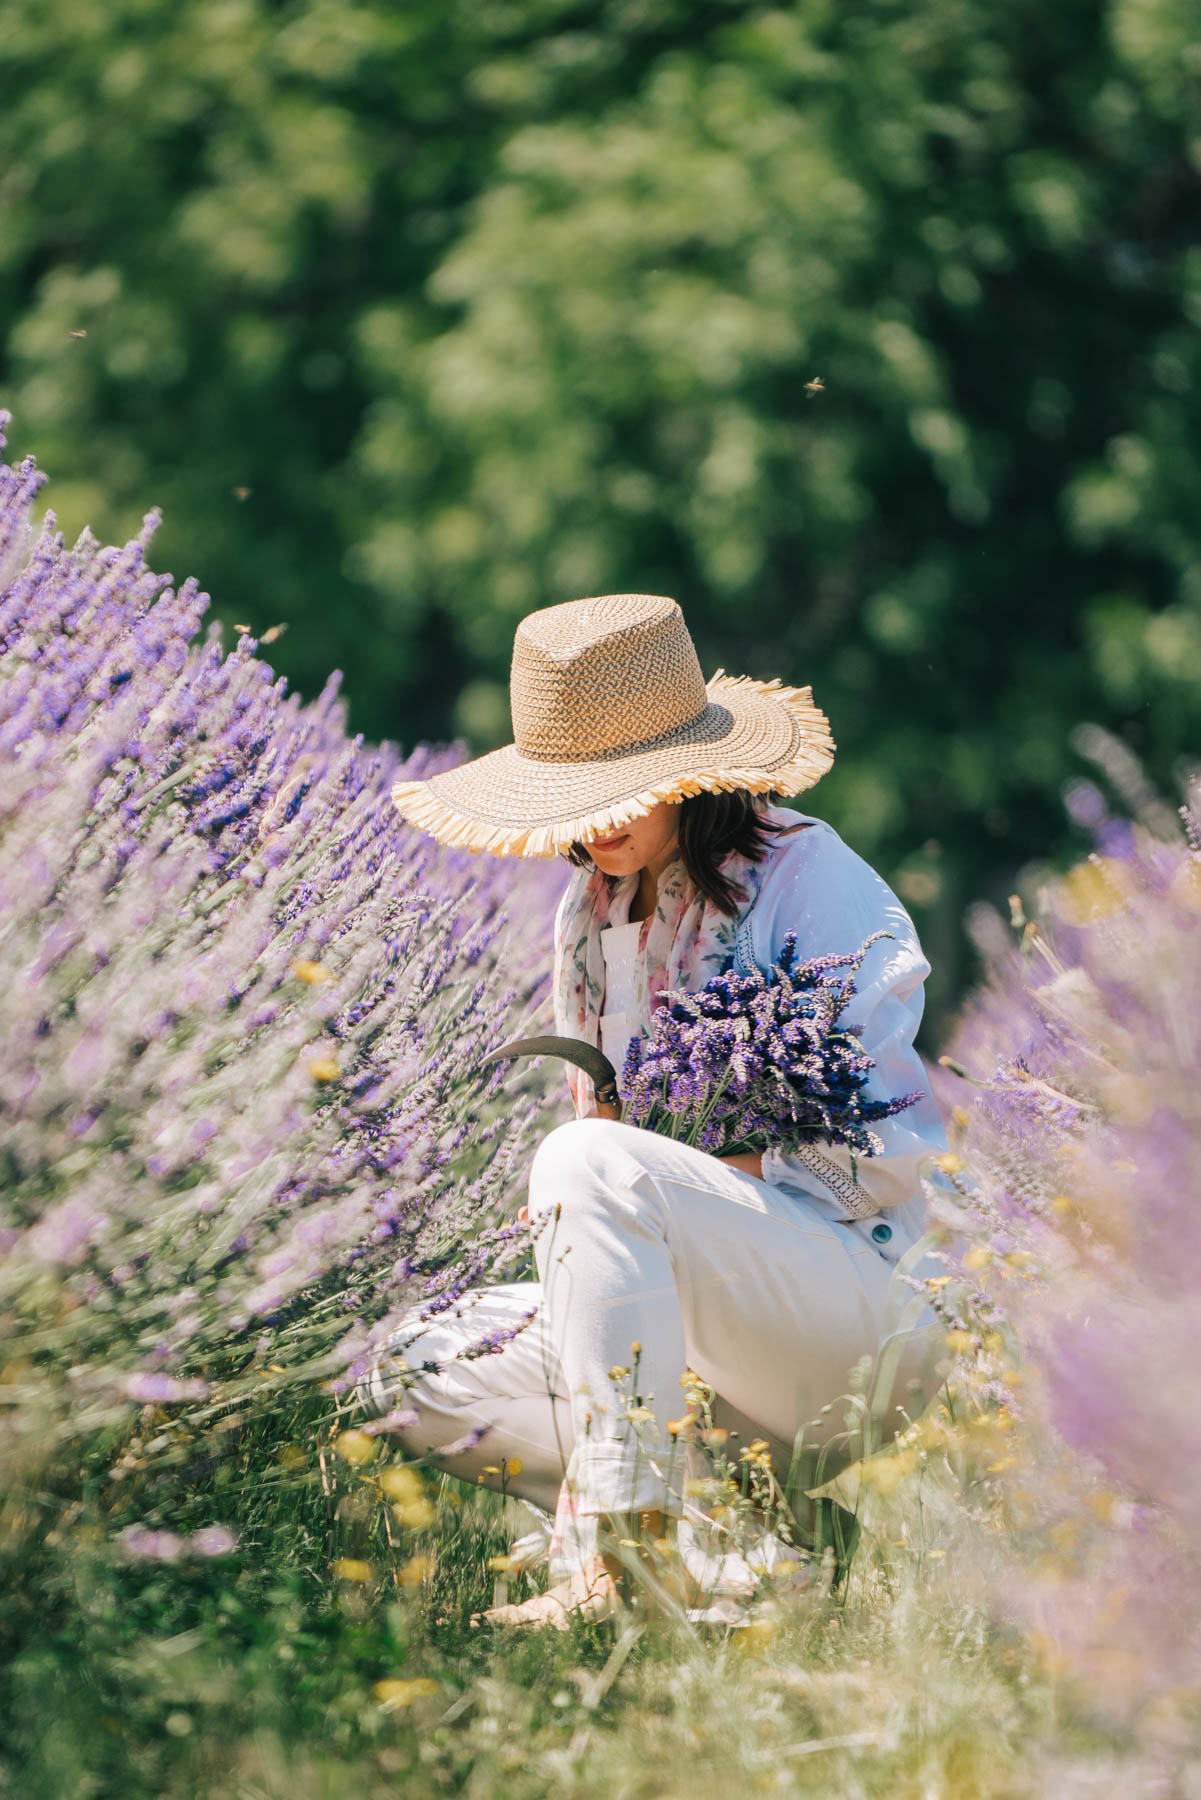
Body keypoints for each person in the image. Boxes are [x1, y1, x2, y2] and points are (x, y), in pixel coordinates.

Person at [364, 593, 948, 1626]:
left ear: (690, 774)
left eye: (621, 788)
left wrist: (645, 1188)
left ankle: (622, 1565)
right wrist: (594, 1224)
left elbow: (883, 1153)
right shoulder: (586, 914)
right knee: (413, 1363)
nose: (596, 820)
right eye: (573, 793)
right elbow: (610, 1161)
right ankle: (762, 1534)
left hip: (845, 1313)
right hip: (691, 1342)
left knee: (584, 1161)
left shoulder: (810, 878)